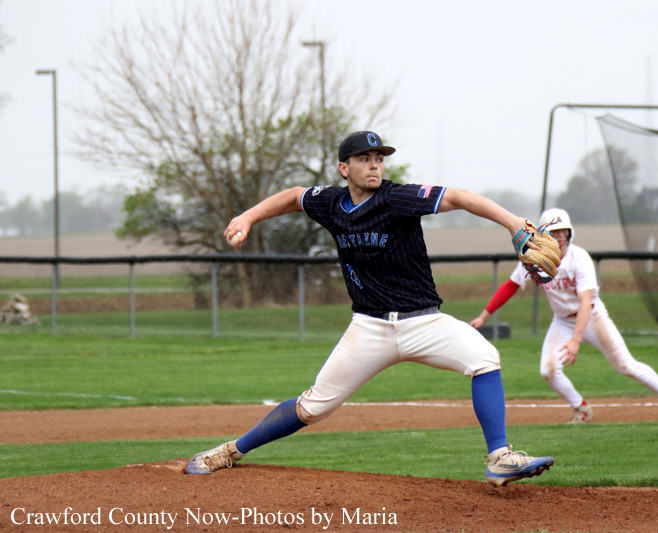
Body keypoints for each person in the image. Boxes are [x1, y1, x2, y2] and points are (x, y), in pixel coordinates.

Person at [185, 131, 554, 486]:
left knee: (484, 357)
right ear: (344, 168)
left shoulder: (398, 199)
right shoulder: (331, 203)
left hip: (425, 321)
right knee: (313, 408)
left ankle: (500, 459)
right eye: (365, 159)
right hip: (369, 328)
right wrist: (248, 217)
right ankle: (230, 451)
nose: (375, 165)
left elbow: (457, 197)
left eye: (379, 159)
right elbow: (294, 196)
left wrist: (511, 224)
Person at [470, 207, 658, 424]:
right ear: (542, 235)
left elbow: (585, 302)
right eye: (553, 232)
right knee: (548, 370)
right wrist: (483, 316)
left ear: (570, 233)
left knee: (626, 365)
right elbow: (510, 286)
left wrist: (575, 341)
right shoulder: (536, 258)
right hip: (562, 321)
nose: (559, 236)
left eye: (563, 231)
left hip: (592, 316)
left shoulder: (579, 258)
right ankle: (581, 409)